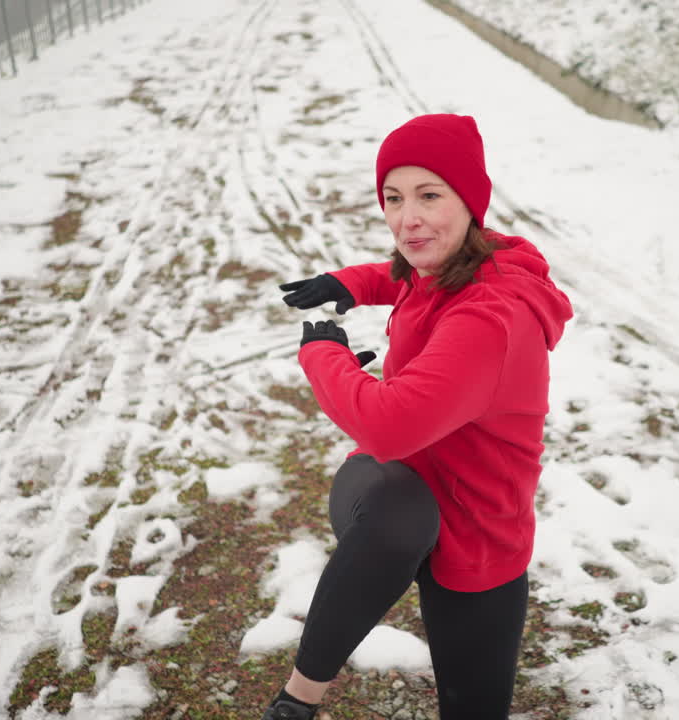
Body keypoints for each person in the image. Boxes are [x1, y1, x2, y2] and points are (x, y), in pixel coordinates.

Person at [263, 114, 573, 720]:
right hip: (396, 490)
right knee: (398, 506)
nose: (408, 220)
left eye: (430, 196)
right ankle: (296, 704)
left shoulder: (491, 315)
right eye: (393, 199)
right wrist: (347, 283)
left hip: (479, 529)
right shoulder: (452, 263)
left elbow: (387, 423)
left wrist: (322, 352)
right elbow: (402, 275)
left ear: (469, 203)